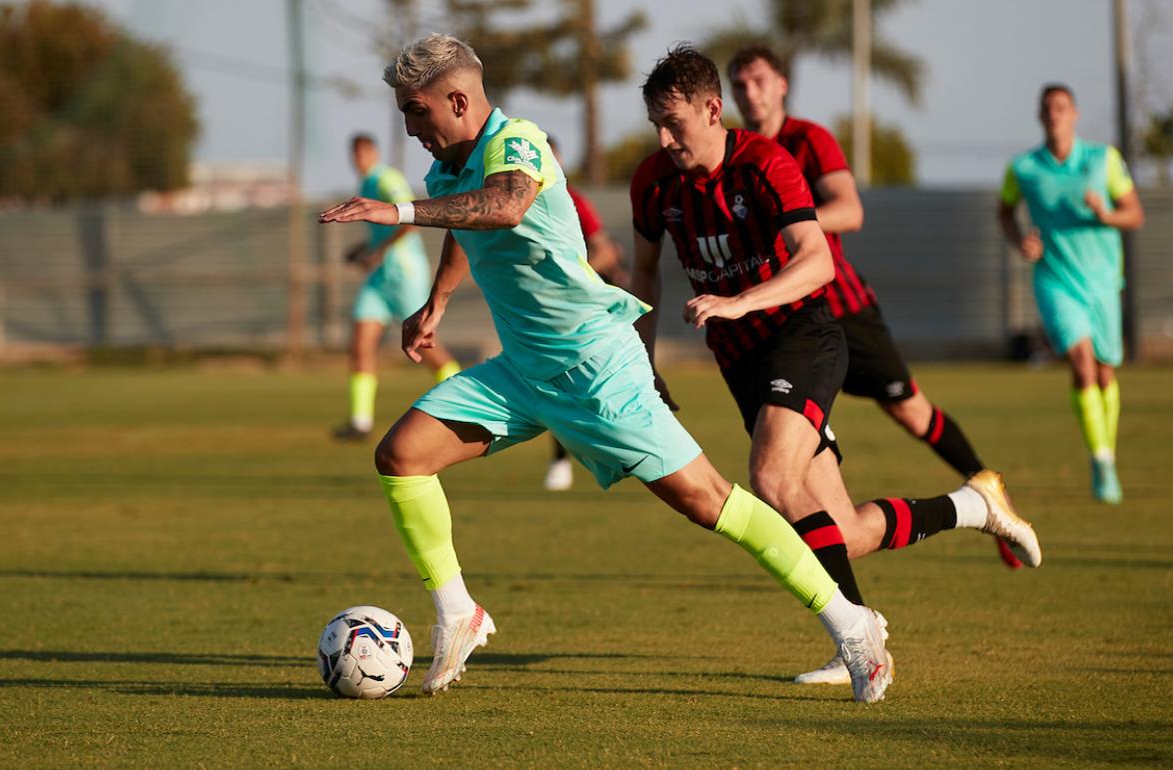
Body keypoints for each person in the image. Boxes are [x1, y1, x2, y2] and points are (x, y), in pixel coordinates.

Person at [320, 33, 894, 703]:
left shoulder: (517, 143)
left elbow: (504, 203)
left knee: (712, 503)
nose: (408, 125)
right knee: (401, 455)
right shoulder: (448, 165)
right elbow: (468, 225)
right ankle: (458, 614)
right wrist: (436, 303)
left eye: (414, 110)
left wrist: (394, 213)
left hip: (596, 368)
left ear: (455, 99)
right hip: (524, 372)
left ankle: (854, 628)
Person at [630, 45, 1041, 685]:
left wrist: (741, 302)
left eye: (674, 122)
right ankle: (972, 506)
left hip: (804, 335)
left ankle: (859, 640)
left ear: (713, 110)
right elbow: (645, 274)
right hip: (741, 359)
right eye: (655, 121)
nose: (663, 137)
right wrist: (644, 361)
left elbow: (817, 260)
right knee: (840, 531)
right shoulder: (653, 181)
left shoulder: (768, 163)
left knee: (769, 475)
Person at [726, 45, 1024, 569]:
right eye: (739, 83)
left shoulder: (806, 139)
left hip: (840, 309)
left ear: (781, 85)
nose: (749, 93)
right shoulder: (733, 152)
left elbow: (850, 209)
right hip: (780, 322)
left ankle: (989, 492)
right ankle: (848, 605)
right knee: (789, 458)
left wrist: (785, 216)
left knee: (910, 410)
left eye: (757, 81)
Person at [998, 84, 1144, 504]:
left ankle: (1107, 451)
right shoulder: (1023, 168)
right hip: (1055, 280)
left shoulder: (1104, 160)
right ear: (1040, 116)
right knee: (1081, 364)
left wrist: (1106, 213)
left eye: (1062, 108)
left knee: (1104, 370)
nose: (1055, 115)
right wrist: (1020, 241)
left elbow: (1135, 215)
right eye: (1048, 109)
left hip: (1102, 281)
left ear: (1075, 114)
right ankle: (1101, 461)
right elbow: (1004, 212)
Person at [331, 133, 460, 442]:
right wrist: (364, 249)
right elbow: (382, 230)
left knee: (425, 342)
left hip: (403, 273)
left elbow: (408, 219)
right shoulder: (364, 184)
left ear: (373, 152)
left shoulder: (385, 178)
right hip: (379, 278)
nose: (359, 159)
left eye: (364, 152)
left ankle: (467, 402)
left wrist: (378, 252)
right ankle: (360, 421)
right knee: (360, 341)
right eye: (355, 154)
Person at [542, 136, 629, 491]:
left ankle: (613, 453)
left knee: (597, 388)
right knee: (557, 386)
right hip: (550, 313)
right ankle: (562, 462)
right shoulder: (517, 202)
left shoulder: (573, 200)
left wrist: (572, 281)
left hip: (586, 308)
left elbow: (607, 252)